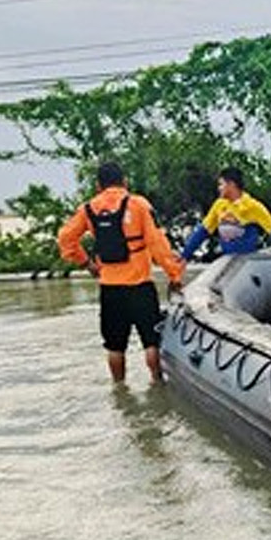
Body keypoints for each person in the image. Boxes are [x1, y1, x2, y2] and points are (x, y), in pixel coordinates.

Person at [57, 160, 185, 384]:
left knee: (115, 346)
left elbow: (65, 239)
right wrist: (174, 275)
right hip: (140, 285)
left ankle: (119, 389)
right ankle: (156, 383)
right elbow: (157, 244)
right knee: (151, 341)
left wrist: (86, 263)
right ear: (125, 182)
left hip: (110, 288)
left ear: (98, 186)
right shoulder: (138, 205)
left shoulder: (89, 208)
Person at [180, 166, 271, 261]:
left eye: (221, 184)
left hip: (248, 261)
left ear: (231, 184)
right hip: (228, 260)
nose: (219, 188)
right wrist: (184, 255)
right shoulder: (219, 205)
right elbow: (202, 232)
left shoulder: (253, 206)